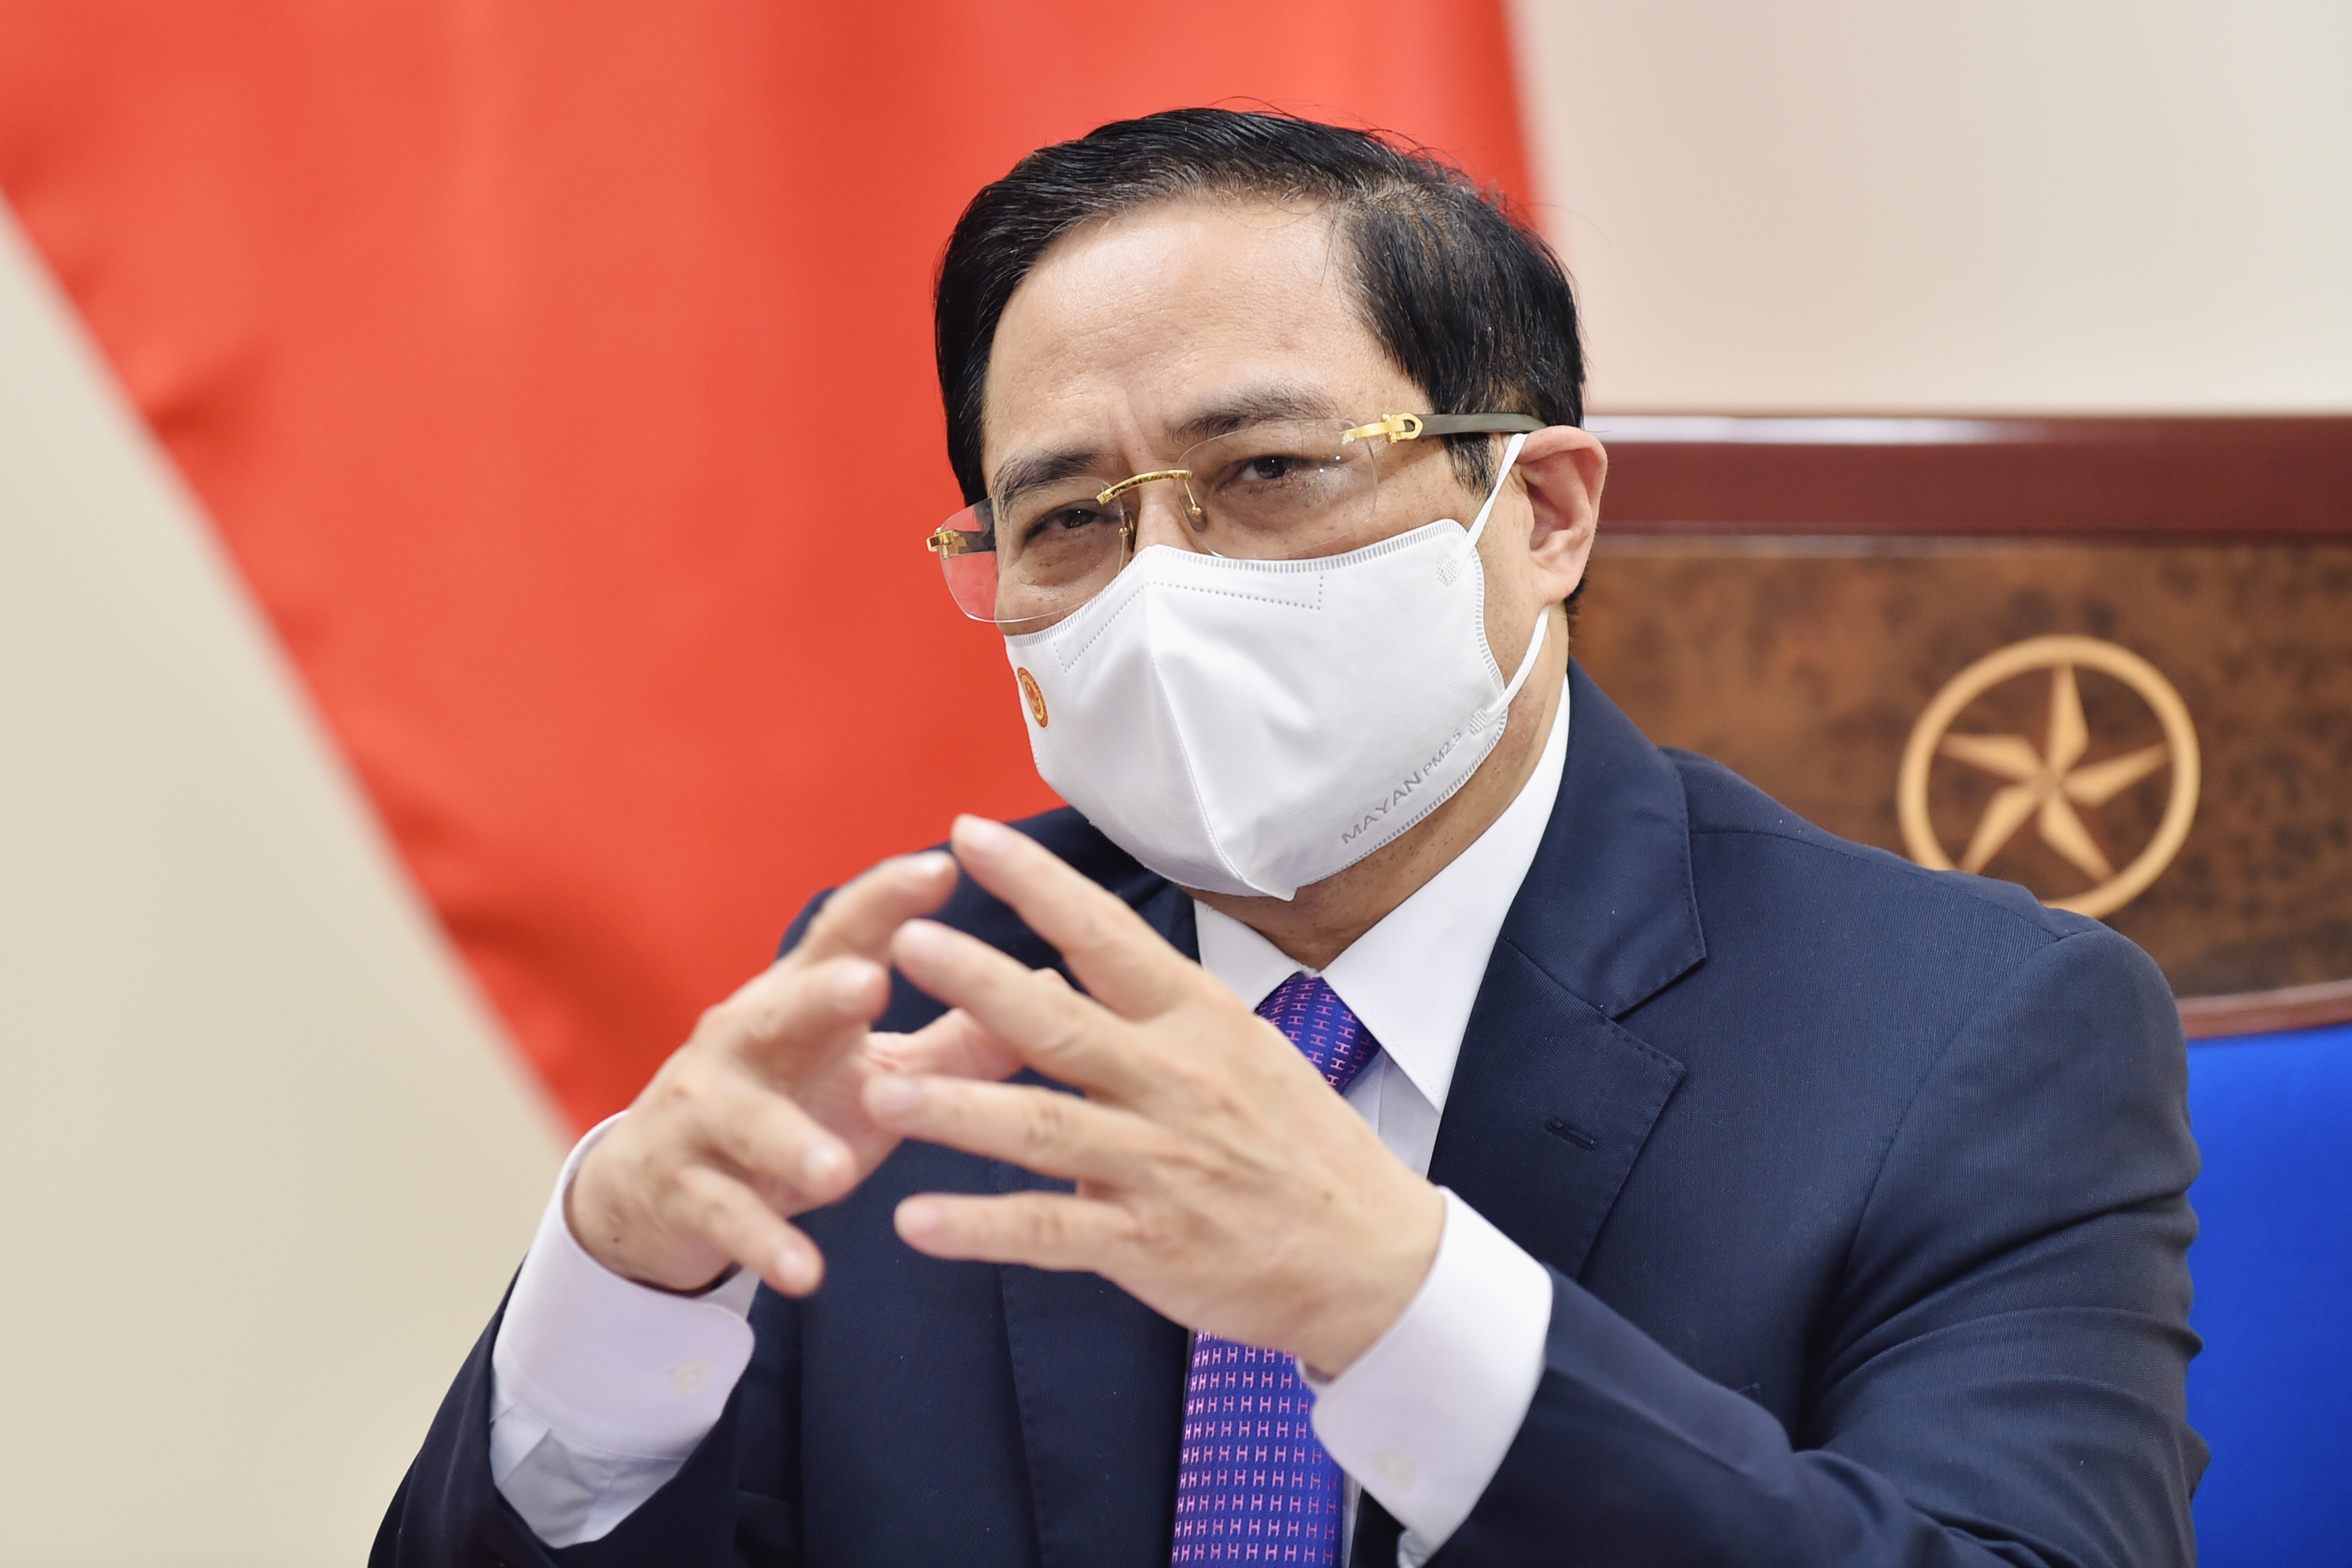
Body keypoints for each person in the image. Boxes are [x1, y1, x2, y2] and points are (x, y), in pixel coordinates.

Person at [372, 110, 2203, 1568]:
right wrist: (614, 1297)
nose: (1161, 588)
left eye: (1264, 473)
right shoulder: (922, 1003)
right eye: (1068, 517)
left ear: (1542, 510)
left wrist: (1400, 1309)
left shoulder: (1971, 1029)